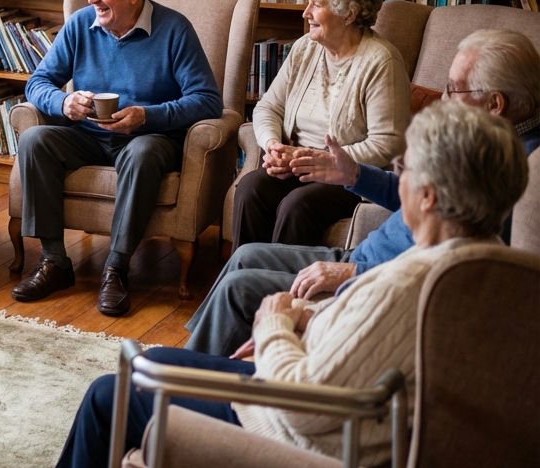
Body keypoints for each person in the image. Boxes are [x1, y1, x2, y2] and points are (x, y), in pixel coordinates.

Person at [0, 100, 528, 468]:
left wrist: (275, 323)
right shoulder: (485, 269)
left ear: (429, 196)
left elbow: (306, 406)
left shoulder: (408, 280)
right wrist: (308, 319)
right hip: (335, 410)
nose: (397, 177)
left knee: (111, 393)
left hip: (295, 432)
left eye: (403, 168)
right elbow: (375, 344)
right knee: (155, 364)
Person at [186, 28, 540, 357]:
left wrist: (354, 273)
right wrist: (353, 174)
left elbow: (457, 265)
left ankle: (183, 377)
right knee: (245, 255)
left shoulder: (515, 170)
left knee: (239, 287)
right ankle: (190, 356)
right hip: (361, 258)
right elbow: (422, 197)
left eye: (454, 89)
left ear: (495, 104)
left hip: (374, 277)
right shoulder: (485, 138)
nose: (444, 99)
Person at [12, 0, 222, 317]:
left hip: (148, 138)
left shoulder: (174, 30)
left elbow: (207, 101)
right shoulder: (81, 24)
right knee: (34, 140)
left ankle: (116, 268)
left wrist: (147, 116)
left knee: (142, 154)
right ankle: (54, 261)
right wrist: (64, 102)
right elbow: (38, 82)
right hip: (88, 136)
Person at [232, 0, 410, 249]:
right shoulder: (305, 48)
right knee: (251, 188)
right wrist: (273, 145)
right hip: (297, 163)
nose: (306, 14)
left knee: (297, 205)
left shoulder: (381, 61)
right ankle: (245, 275)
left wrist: (321, 161)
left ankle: (285, 279)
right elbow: (268, 107)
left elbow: (388, 144)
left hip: (347, 177)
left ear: (349, 13)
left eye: (316, 5)